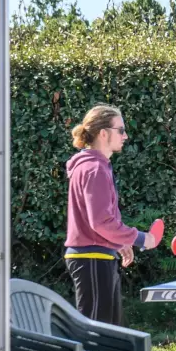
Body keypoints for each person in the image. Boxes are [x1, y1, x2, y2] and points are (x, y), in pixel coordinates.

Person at [64, 104, 161, 325]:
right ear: (103, 133)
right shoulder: (94, 168)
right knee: (98, 333)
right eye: (121, 130)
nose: (125, 136)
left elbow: (96, 221)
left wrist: (117, 241)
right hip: (92, 257)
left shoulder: (94, 166)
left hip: (94, 256)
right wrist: (141, 238)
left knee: (109, 331)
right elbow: (100, 222)